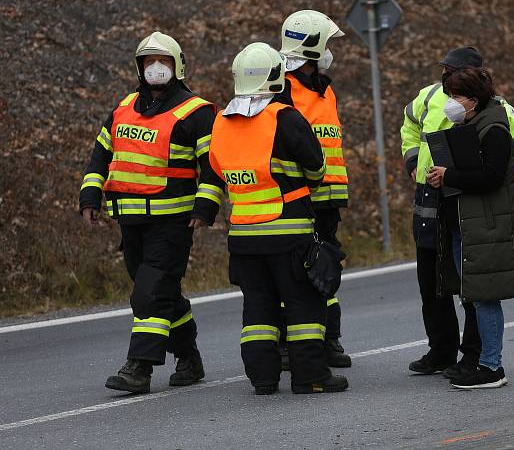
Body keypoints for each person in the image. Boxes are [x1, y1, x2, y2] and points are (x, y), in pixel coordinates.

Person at [79, 31, 223, 393]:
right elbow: (101, 155)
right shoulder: (124, 107)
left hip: (172, 222)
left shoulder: (198, 112)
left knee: (149, 293)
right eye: (148, 62)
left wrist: (205, 207)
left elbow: (213, 166)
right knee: (163, 293)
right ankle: (189, 356)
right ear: (139, 68)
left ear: (178, 66)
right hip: (129, 222)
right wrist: (90, 196)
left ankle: (139, 367)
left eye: (163, 62)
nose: (156, 69)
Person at [208, 42, 348, 395]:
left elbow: (216, 169)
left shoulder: (221, 122)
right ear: (276, 77)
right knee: (303, 306)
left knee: (257, 309)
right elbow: (316, 168)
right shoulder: (285, 117)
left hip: (242, 236)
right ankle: (310, 376)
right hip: (289, 234)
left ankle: (263, 379)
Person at [400, 47, 514, 381]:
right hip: (430, 196)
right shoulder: (431, 96)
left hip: (467, 201)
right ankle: (441, 350)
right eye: (445, 71)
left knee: (471, 285)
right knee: (433, 280)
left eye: (453, 72)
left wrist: (496, 189)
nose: (445, 77)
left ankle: (474, 356)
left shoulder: (496, 111)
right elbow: (409, 126)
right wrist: (411, 161)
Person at [277, 9, 351, 368]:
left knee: (328, 268)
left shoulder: (325, 88)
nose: (330, 52)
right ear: (312, 48)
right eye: (327, 44)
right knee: (297, 271)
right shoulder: (284, 89)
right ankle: (293, 343)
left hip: (328, 198)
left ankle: (330, 339)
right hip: (300, 197)